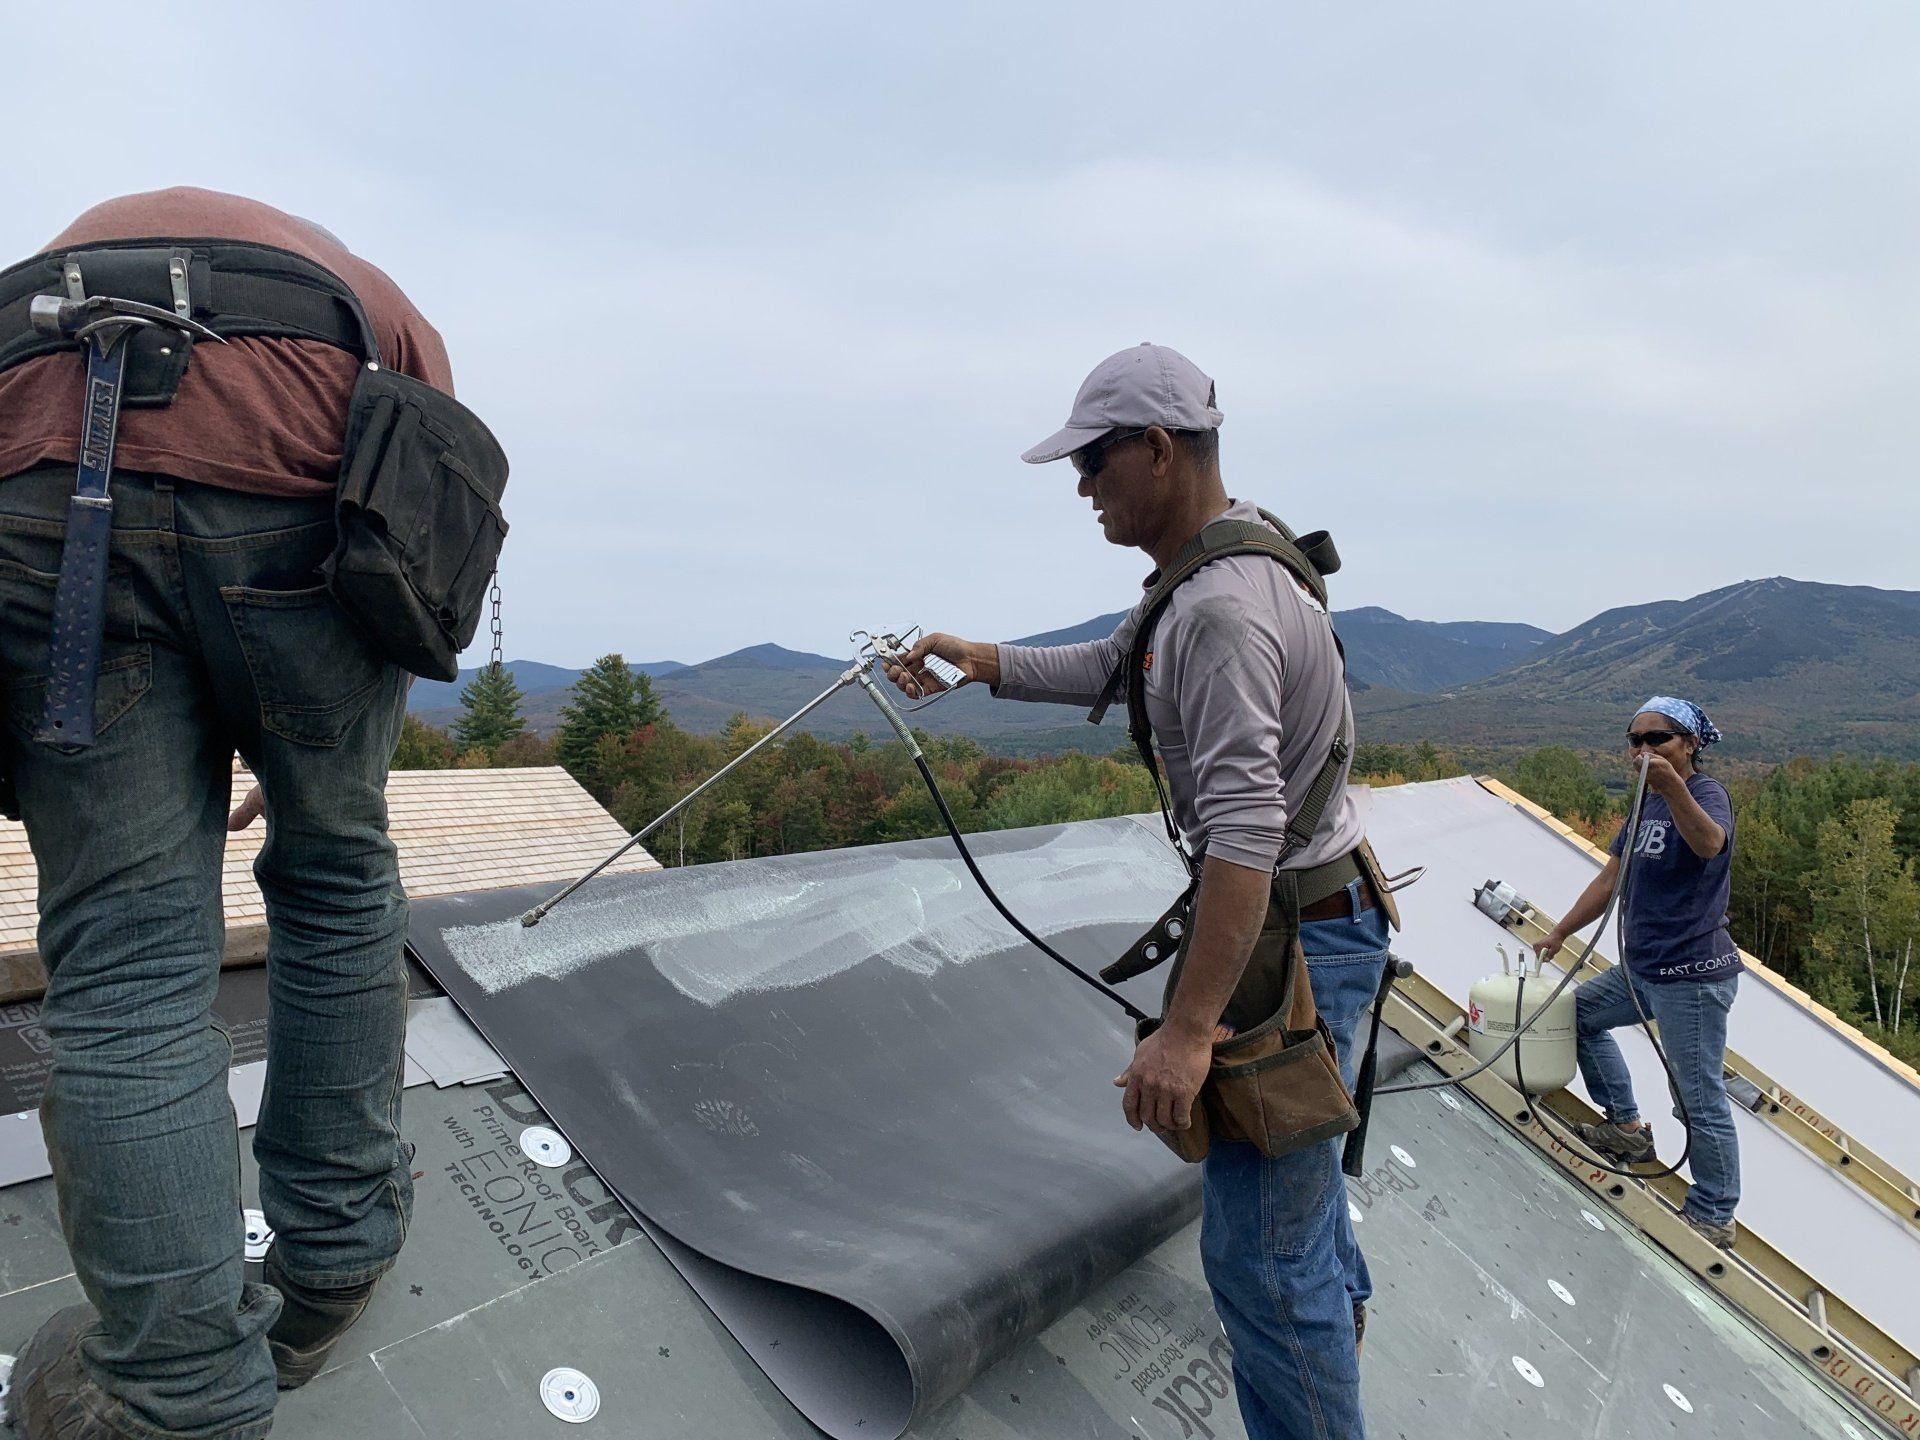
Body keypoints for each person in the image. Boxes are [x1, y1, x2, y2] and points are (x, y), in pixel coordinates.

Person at [0, 189, 452, 1439]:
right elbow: (427, 495)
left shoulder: (53, 278)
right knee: (337, 873)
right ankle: (332, 1267)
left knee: (129, 963)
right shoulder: (365, 299)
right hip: (303, 468)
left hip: (36, 476)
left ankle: (177, 1394)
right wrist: (309, 751)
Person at [887, 343, 1386, 1440]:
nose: (1082, 487)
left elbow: (1248, 835)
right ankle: (1333, 1355)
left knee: (1260, 1264)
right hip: (1326, 921)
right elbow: (1120, 666)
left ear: (1157, 450)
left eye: (1093, 462)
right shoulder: (1225, 563)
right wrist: (984, 660)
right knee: (1301, 1223)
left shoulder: (1216, 609)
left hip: (1294, 945)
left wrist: (1190, 1031)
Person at [1533, 697, 1742, 1249]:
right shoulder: (1642, 804)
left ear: (1690, 743)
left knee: (1697, 1096)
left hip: (1692, 974)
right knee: (1573, 1016)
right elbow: (1610, 879)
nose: (1645, 750)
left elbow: (1710, 844)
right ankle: (1626, 1128)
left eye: (1660, 739)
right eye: (1637, 741)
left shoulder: (1704, 794)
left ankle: (1713, 1213)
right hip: (1644, 969)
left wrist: (1673, 787)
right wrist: (1560, 931)